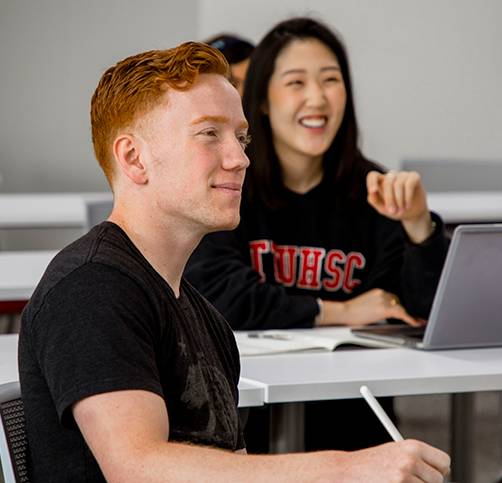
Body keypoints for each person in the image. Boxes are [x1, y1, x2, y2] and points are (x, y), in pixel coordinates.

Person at [18, 41, 450, 482]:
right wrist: (347, 467)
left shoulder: (202, 314)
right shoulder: (93, 289)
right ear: (134, 158)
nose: (241, 158)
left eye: (241, 138)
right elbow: (138, 468)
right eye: (210, 134)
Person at [185, 18, 449, 452]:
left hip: (355, 422)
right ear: (263, 100)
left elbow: (423, 312)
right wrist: (338, 311)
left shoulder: (376, 192)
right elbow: (218, 295)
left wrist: (419, 225)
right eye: (295, 82)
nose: (317, 98)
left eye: (331, 80)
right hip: (245, 427)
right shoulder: (229, 184)